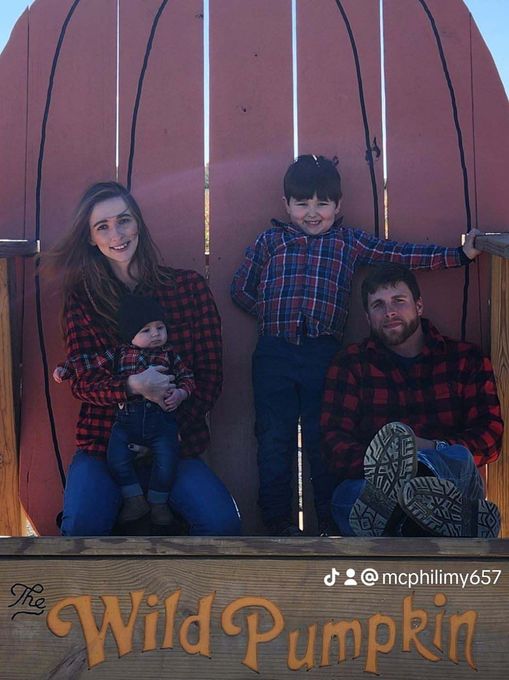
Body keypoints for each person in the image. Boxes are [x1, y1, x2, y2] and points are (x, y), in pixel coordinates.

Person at [231, 154, 481, 537]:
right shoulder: (271, 241)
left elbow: (398, 253)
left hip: (321, 354)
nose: (312, 213)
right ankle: (278, 524)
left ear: (338, 206)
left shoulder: (348, 242)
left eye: (322, 203)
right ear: (286, 205)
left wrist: (458, 256)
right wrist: (270, 316)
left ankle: (330, 523)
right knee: (273, 437)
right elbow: (240, 287)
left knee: (320, 438)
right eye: (302, 204)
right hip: (274, 352)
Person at [47, 181, 241, 536]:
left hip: (174, 445)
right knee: (80, 531)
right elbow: (84, 381)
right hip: (103, 445)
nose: (116, 234)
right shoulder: (83, 300)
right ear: (91, 238)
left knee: (222, 525)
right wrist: (133, 386)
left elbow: (210, 377)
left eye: (124, 221)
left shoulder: (188, 289)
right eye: (102, 226)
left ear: (138, 224)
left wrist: (165, 424)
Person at [321, 263, 503, 537]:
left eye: (398, 301)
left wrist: (427, 449)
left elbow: (490, 436)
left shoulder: (465, 359)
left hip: (449, 478)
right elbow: (334, 442)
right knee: (348, 498)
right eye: (378, 305)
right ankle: (424, 520)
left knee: (458, 456)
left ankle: (413, 516)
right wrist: (392, 460)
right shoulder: (351, 364)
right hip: (378, 487)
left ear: (418, 306)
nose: (389, 311)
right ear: (368, 317)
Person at [54, 294, 196, 527]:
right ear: (131, 334)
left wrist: (180, 394)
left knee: (167, 460)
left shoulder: (170, 355)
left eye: (160, 328)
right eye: (146, 330)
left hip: (162, 423)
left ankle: (158, 503)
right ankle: (134, 500)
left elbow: (188, 378)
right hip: (126, 422)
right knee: (116, 458)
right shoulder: (120, 353)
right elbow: (90, 362)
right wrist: (66, 369)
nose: (156, 334)